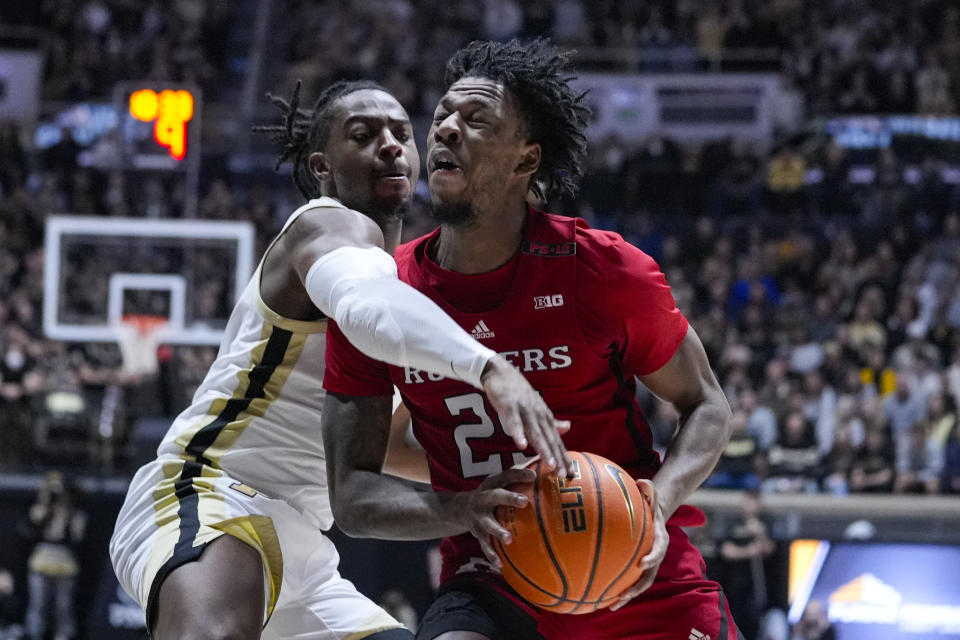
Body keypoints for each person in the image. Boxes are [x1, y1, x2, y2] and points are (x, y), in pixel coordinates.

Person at [109, 79, 569, 640]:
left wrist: (511, 485)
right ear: (323, 165)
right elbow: (362, 305)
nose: (390, 144)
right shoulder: (324, 225)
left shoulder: (407, 292)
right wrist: (489, 366)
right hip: (209, 494)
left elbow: (393, 450)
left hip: (303, 549)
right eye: (364, 134)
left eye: (401, 133)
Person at [322, 39, 738, 640]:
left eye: (477, 120)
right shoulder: (383, 295)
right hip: (493, 579)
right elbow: (354, 493)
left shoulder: (602, 269)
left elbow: (708, 404)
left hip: (632, 565)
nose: (446, 131)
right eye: (441, 118)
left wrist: (658, 502)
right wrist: (462, 505)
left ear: (526, 160)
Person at [24, 471, 86, 640]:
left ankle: (63, 635)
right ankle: (33, 634)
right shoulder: (40, 508)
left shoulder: (74, 513)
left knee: (63, 605)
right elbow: (33, 524)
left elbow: (78, 535)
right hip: (41, 558)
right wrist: (46, 500)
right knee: (38, 604)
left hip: (64, 560)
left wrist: (66, 507)